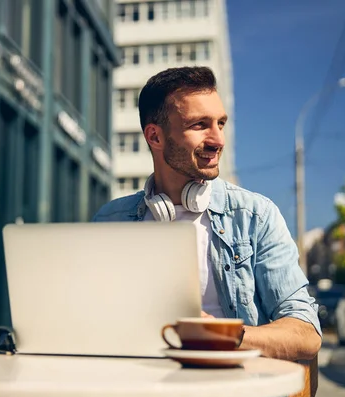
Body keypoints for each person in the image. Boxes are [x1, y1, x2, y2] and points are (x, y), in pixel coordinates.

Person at [93, 66, 321, 361]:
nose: (218, 140)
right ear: (155, 136)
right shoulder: (110, 222)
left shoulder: (255, 216)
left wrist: (223, 336)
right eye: (200, 124)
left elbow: (306, 331)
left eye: (221, 123)